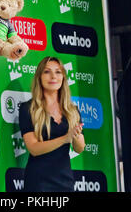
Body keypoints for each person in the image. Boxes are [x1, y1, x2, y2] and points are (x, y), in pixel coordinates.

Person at [19, 56, 85, 192]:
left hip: (65, 182)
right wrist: (65, 138)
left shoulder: (73, 110)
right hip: (38, 183)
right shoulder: (28, 108)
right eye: (47, 71)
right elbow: (34, 149)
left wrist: (76, 135)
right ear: (39, 77)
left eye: (58, 72)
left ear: (63, 78)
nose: (53, 76)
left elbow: (79, 148)